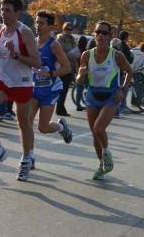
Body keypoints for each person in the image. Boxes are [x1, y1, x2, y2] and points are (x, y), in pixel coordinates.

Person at [0, 0, 41, 181]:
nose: (3, 14)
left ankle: (26, 160)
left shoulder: (25, 33)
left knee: (23, 123)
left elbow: (36, 62)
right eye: (2, 10)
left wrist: (15, 55)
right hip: (1, 77)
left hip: (21, 81)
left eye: (7, 10)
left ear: (17, 13)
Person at [77, 21, 133, 180]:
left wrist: (123, 90)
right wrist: (81, 74)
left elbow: (129, 71)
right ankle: (102, 165)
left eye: (104, 33)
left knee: (99, 129)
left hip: (110, 96)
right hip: (92, 96)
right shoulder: (87, 55)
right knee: (94, 134)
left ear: (110, 36)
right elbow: (80, 81)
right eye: (98, 32)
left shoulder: (116, 55)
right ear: (94, 34)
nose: (100, 35)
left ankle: (107, 152)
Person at [28, 10, 73, 170]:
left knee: (43, 128)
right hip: (34, 89)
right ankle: (29, 157)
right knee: (27, 122)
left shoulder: (54, 45)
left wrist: (50, 73)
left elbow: (67, 68)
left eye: (42, 23)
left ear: (50, 27)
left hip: (50, 89)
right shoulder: (32, 42)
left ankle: (61, 128)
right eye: (37, 22)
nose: (38, 25)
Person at [56, 22, 77, 116]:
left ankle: (61, 107)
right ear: (63, 30)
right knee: (62, 89)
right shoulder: (60, 40)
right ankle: (60, 108)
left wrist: (77, 55)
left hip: (71, 68)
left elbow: (77, 51)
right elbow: (61, 54)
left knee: (65, 89)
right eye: (67, 29)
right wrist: (73, 55)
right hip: (63, 67)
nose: (69, 31)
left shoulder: (73, 40)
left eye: (70, 29)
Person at [75, 35, 88, 111]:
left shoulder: (77, 50)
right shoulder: (85, 52)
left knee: (79, 89)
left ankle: (78, 104)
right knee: (87, 88)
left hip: (78, 70)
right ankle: (87, 103)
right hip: (85, 71)